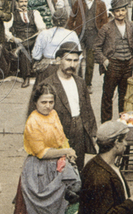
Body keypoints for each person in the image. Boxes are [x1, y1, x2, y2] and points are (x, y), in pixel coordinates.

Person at [10, 83, 81, 214]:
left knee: (62, 206)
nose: (48, 106)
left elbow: (61, 138)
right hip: (38, 170)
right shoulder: (32, 122)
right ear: (35, 102)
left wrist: (68, 151)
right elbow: (42, 153)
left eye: (51, 102)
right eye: (43, 102)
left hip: (57, 165)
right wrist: (65, 152)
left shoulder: (53, 114)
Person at [72, 121, 133, 214]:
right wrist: (132, 204)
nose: (126, 144)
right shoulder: (100, 177)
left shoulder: (99, 164)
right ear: (116, 143)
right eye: (124, 141)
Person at [28, 42, 96, 170]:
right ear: (59, 60)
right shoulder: (47, 85)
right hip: (58, 131)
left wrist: (92, 131)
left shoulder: (80, 82)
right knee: (57, 168)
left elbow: (87, 108)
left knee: (77, 167)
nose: (72, 64)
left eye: (75, 61)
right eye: (68, 60)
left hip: (79, 130)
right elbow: (34, 113)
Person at [95, 0, 133, 122]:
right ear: (113, 13)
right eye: (117, 11)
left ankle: (123, 123)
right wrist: (104, 60)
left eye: (122, 10)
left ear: (126, 11)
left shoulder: (131, 26)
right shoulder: (106, 28)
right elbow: (97, 47)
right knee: (108, 96)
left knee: (124, 96)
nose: (120, 13)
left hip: (128, 65)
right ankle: (106, 124)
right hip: (113, 65)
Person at [66, 0, 109, 88]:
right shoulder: (78, 3)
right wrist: (69, 32)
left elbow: (105, 22)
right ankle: (77, 81)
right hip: (79, 34)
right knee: (77, 58)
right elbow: (71, 19)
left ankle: (88, 84)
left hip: (93, 35)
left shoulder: (101, 4)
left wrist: (104, 36)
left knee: (90, 61)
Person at [6, 0, 46, 88]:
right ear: (16, 3)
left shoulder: (34, 13)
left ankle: (20, 48)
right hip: (20, 40)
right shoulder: (12, 15)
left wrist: (38, 36)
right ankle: (26, 77)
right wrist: (13, 38)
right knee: (25, 51)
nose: (23, 4)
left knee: (27, 45)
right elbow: (5, 30)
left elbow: (42, 28)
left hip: (34, 40)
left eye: (25, 1)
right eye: (21, 2)